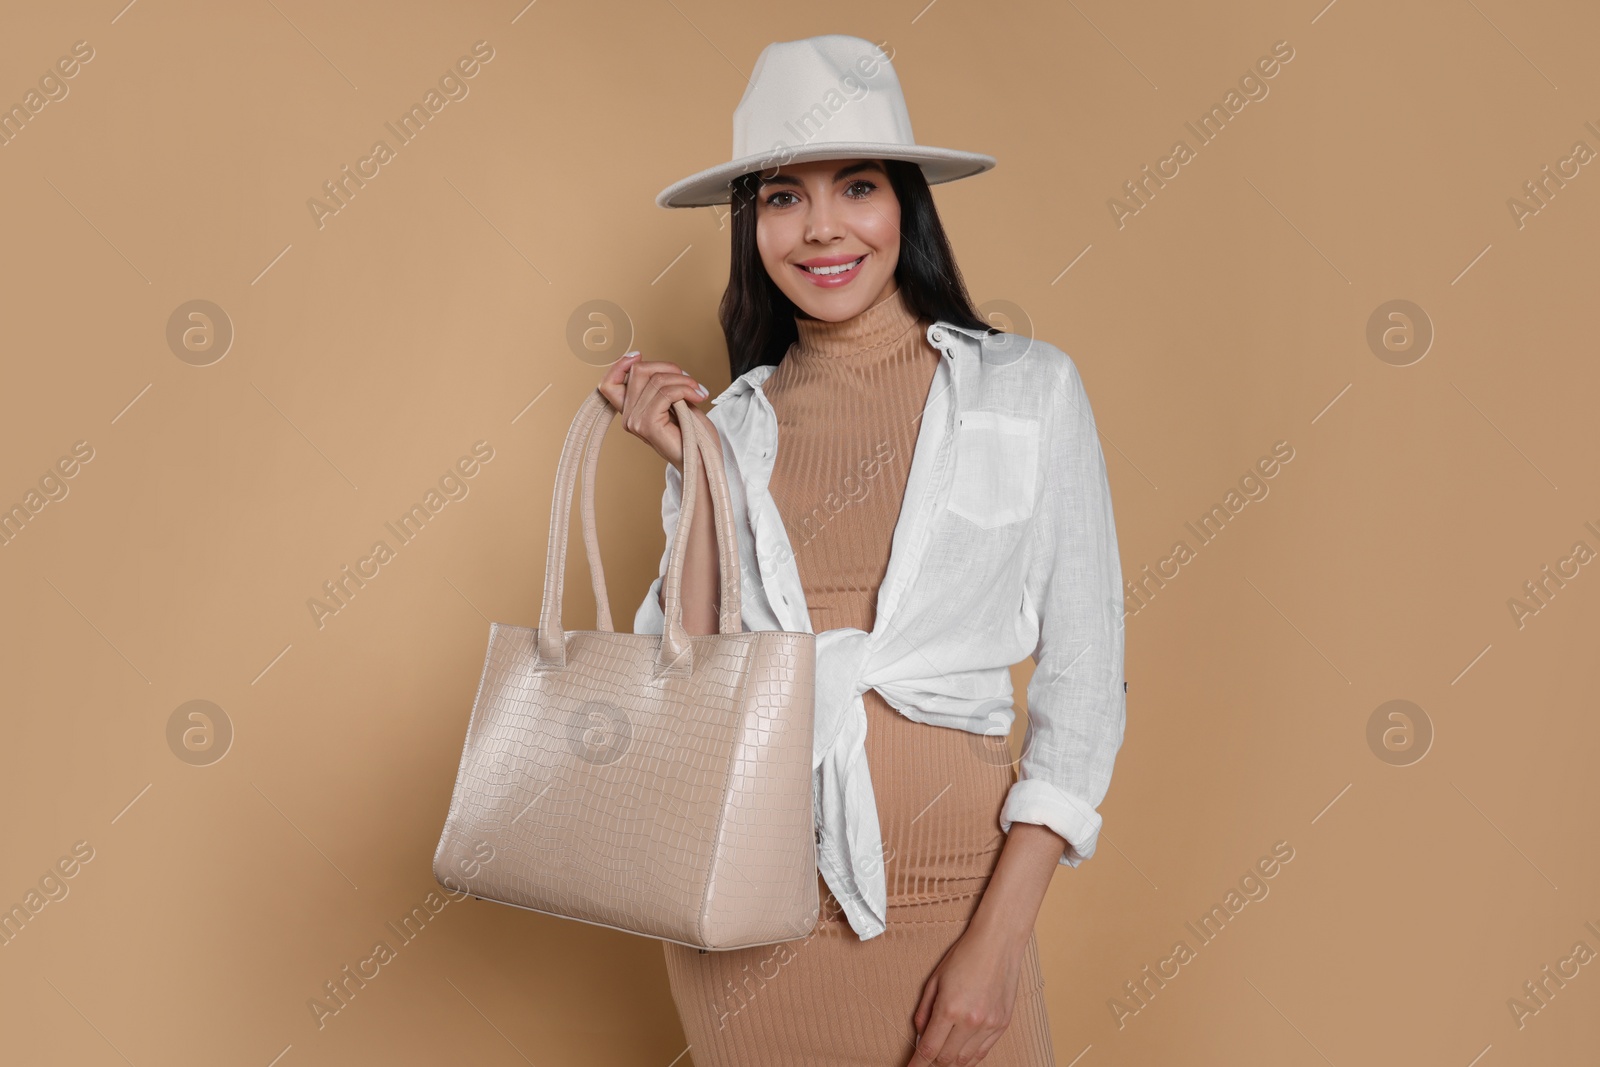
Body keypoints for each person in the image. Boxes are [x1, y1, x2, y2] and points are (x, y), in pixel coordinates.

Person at [596, 35, 1126, 1067]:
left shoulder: (1027, 389)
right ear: (751, 225)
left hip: (957, 898)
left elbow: (1084, 676)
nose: (822, 227)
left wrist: (998, 939)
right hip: (744, 913)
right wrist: (689, 467)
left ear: (905, 208)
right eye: (783, 197)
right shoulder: (731, 424)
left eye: (857, 186)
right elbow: (691, 685)